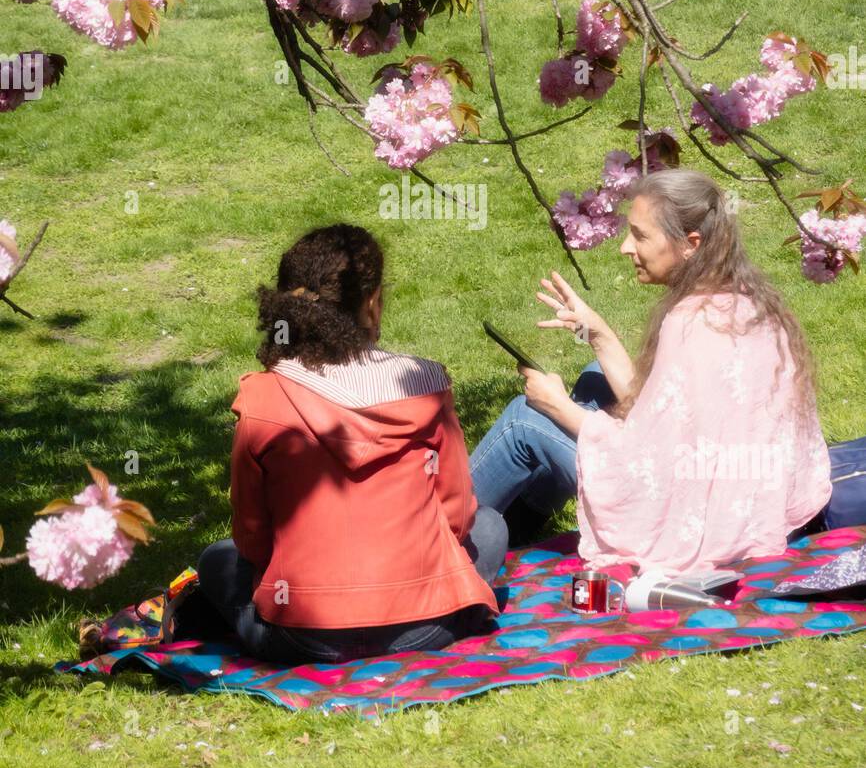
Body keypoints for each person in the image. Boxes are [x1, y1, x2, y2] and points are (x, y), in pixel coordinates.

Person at [470, 168, 837, 575]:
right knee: (596, 375)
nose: (626, 247)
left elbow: (649, 453)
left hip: (702, 514)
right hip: (749, 491)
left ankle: (435, 537)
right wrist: (599, 334)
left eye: (640, 235)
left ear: (689, 245)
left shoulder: (690, 323)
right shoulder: (745, 303)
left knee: (524, 420)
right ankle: (517, 527)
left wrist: (555, 406)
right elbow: (663, 411)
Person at [196, 224, 506, 664]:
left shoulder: (262, 397)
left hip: (300, 635)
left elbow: (251, 538)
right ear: (374, 301)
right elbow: (458, 516)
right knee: (491, 526)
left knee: (216, 560)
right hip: (425, 627)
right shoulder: (427, 384)